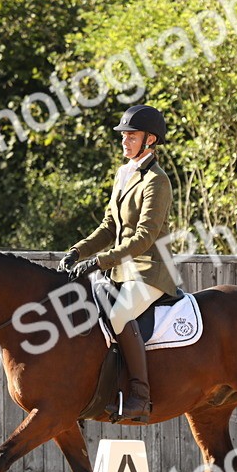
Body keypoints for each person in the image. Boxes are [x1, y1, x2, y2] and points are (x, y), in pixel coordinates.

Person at [59, 105, 176, 423]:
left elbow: (143, 238)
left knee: (119, 313)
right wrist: (78, 251)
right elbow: (109, 227)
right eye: (123, 135)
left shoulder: (157, 181)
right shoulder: (124, 175)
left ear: (150, 140)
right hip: (121, 271)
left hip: (149, 272)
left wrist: (100, 261)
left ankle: (140, 396)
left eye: (131, 135)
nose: (124, 140)